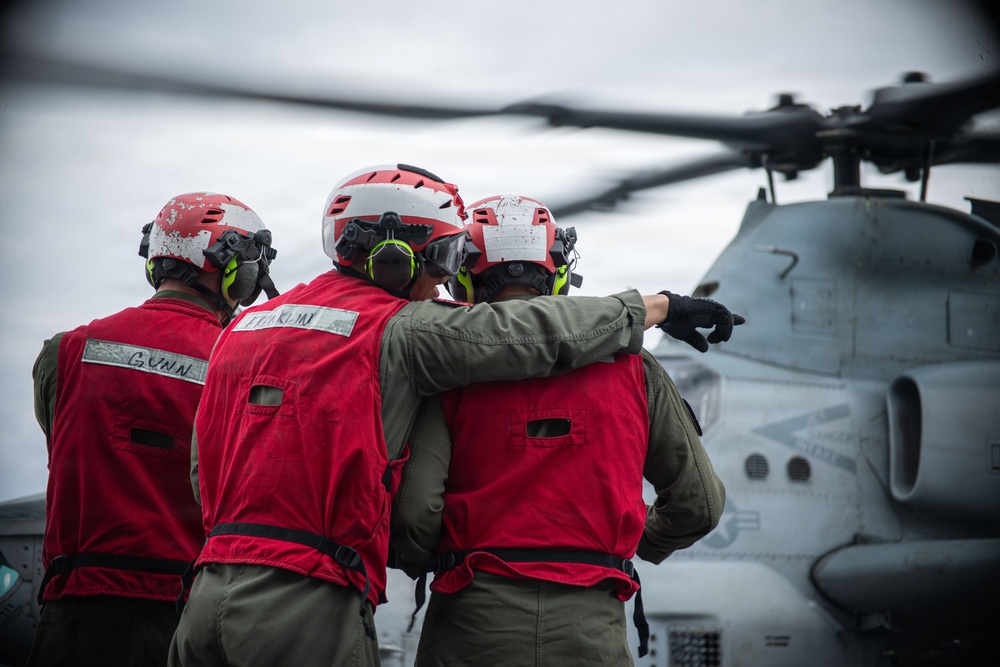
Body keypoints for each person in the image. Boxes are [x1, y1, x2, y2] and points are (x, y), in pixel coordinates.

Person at [168, 164, 740, 667]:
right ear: (391, 257)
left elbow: (205, 472)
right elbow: (524, 335)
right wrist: (652, 308)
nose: (444, 279)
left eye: (455, 260)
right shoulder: (404, 332)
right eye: (440, 256)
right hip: (316, 599)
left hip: (212, 588)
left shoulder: (241, 328)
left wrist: (426, 557)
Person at [390, 194, 729, 666]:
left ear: (464, 273)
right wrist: (632, 545)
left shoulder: (446, 374)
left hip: (470, 622)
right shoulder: (636, 368)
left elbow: (413, 513)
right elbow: (701, 504)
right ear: (560, 273)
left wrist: (426, 557)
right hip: (593, 625)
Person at [29, 192, 279, 666]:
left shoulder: (63, 351)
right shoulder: (241, 362)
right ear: (235, 272)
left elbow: (60, 438)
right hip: (181, 616)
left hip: (69, 612)